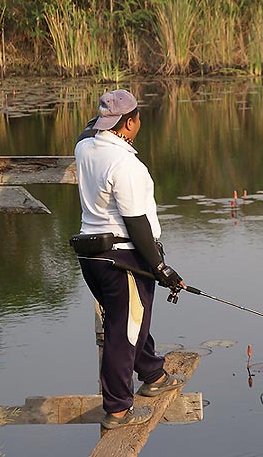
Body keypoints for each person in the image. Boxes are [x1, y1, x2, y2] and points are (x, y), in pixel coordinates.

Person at [72, 89, 187, 429]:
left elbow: (87, 130)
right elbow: (137, 223)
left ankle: (151, 372)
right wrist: (160, 268)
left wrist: (106, 120)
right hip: (123, 257)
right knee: (123, 331)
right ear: (132, 122)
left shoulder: (84, 147)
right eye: (137, 118)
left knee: (128, 319)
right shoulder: (126, 165)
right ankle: (118, 409)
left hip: (92, 257)